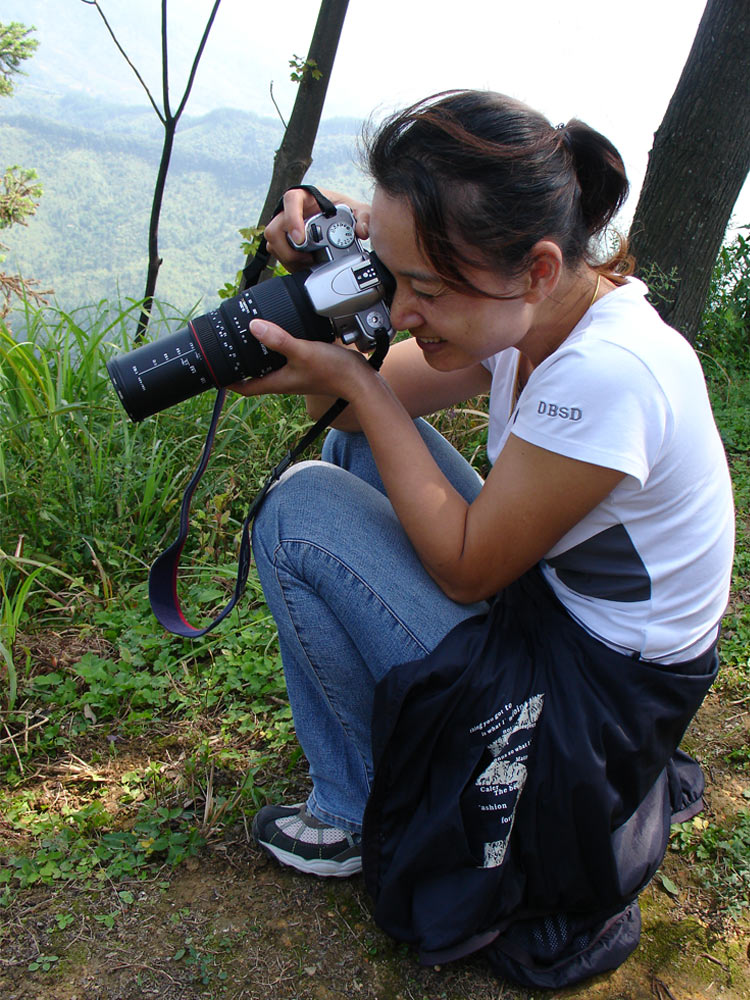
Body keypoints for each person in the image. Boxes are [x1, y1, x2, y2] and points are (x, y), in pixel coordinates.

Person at [231, 91, 734, 984]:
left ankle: (353, 810)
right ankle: (387, 766)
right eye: (397, 278)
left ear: (536, 268)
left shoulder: (610, 373)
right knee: (352, 444)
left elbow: (465, 569)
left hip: (596, 707)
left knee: (298, 511)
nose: (408, 310)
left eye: (426, 288)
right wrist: (339, 275)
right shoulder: (540, 307)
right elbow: (341, 408)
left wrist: (363, 376)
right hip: (561, 613)